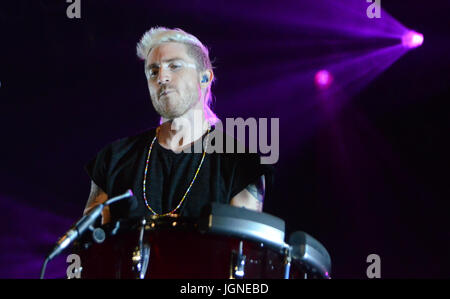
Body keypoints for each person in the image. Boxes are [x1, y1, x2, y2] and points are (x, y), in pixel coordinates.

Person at [83, 27, 273, 224]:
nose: (161, 78)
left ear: (205, 78)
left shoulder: (241, 164)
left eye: (174, 66)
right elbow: (91, 243)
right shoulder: (113, 159)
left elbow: (242, 245)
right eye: (153, 71)